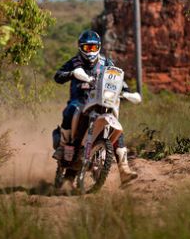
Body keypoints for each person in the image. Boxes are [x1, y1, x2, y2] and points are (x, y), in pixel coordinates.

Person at [52, 29, 139, 184]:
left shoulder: (106, 63)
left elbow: (116, 78)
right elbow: (58, 76)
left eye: (93, 48)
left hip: (102, 101)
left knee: (116, 126)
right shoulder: (74, 62)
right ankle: (64, 146)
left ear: (98, 47)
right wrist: (72, 74)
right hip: (80, 101)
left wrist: (127, 92)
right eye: (87, 48)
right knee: (69, 111)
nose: (90, 51)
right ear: (80, 47)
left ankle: (124, 169)